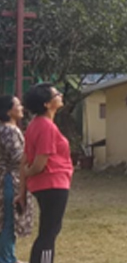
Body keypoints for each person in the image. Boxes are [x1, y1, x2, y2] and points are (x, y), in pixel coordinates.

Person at [18, 83, 73, 263]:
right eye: (56, 94)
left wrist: (22, 191)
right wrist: (29, 173)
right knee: (49, 233)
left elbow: (25, 159)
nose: (60, 95)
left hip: (46, 185)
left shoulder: (35, 125)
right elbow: (38, 164)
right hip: (53, 183)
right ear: (47, 104)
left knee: (47, 232)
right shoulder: (46, 126)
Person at [0, 95, 33, 263]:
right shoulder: (10, 131)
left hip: (5, 178)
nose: (21, 107)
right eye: (18, 105)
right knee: (9, 219)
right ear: (8, 111)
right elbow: (19, 158)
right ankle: (6, 258)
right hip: (10, 180)